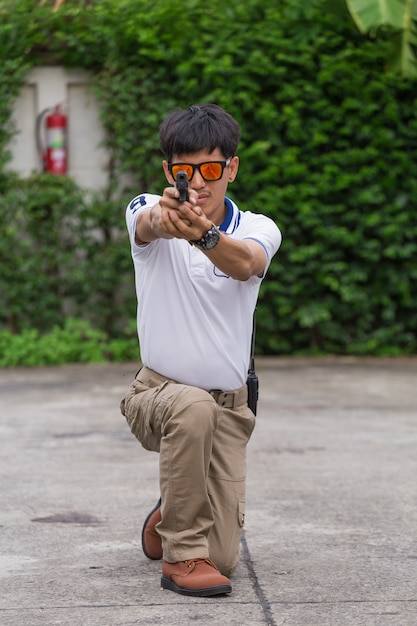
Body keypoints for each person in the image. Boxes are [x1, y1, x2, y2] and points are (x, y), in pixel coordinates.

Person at [120, 103, 281, 597]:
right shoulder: (147, 207)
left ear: (231, 167)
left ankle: (173, 511)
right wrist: (168, 222)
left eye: (212, 169)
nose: (201, 183)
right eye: (187, 171)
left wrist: (206, 236)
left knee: (227, 558)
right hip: (159, 397)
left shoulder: (258, 227)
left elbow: (247, 263)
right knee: (191, 406)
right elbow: (147, 223)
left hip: (229, 410)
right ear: (171, 171)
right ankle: (182, 560)